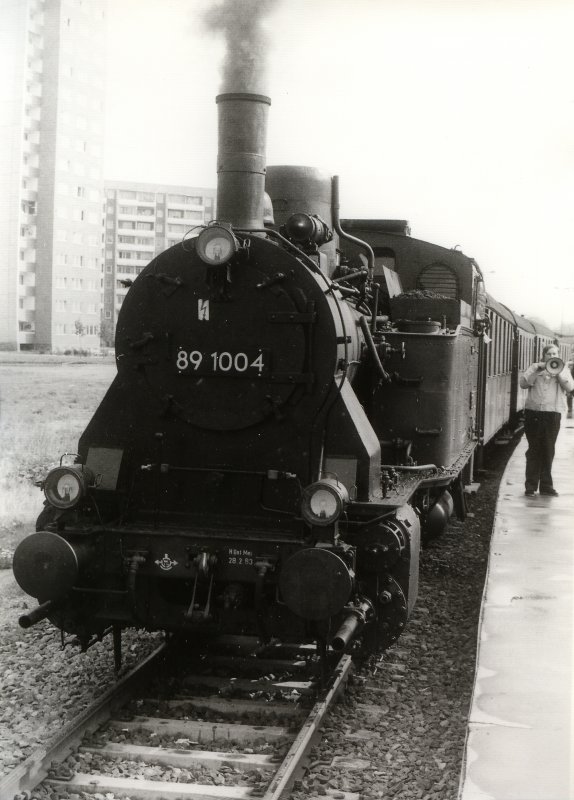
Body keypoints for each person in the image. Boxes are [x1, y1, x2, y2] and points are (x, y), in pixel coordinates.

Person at [519, 344, 574, 497]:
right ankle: (530, 486)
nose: (552, 356)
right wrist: (537, 369)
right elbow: (523, 383)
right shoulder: (535, 367)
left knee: (548, 449)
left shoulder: (563, 370)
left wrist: (559, 374)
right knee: (534, 450)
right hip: (533, 413)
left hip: (552, 414)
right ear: (543, 355)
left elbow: (570, 388)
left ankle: (546, 486)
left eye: (554, 353)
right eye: (549, 354)